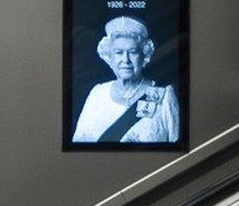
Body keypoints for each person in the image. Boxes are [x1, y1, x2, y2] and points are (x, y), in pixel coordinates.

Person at [72, 16, 180, 144]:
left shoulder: (164, 96)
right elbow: (79, 142)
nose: (126, 60)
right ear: (109, 57)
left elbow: (176, 150)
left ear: (144, 56)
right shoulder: (97, 93)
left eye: (133, 52)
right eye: (118, 52)